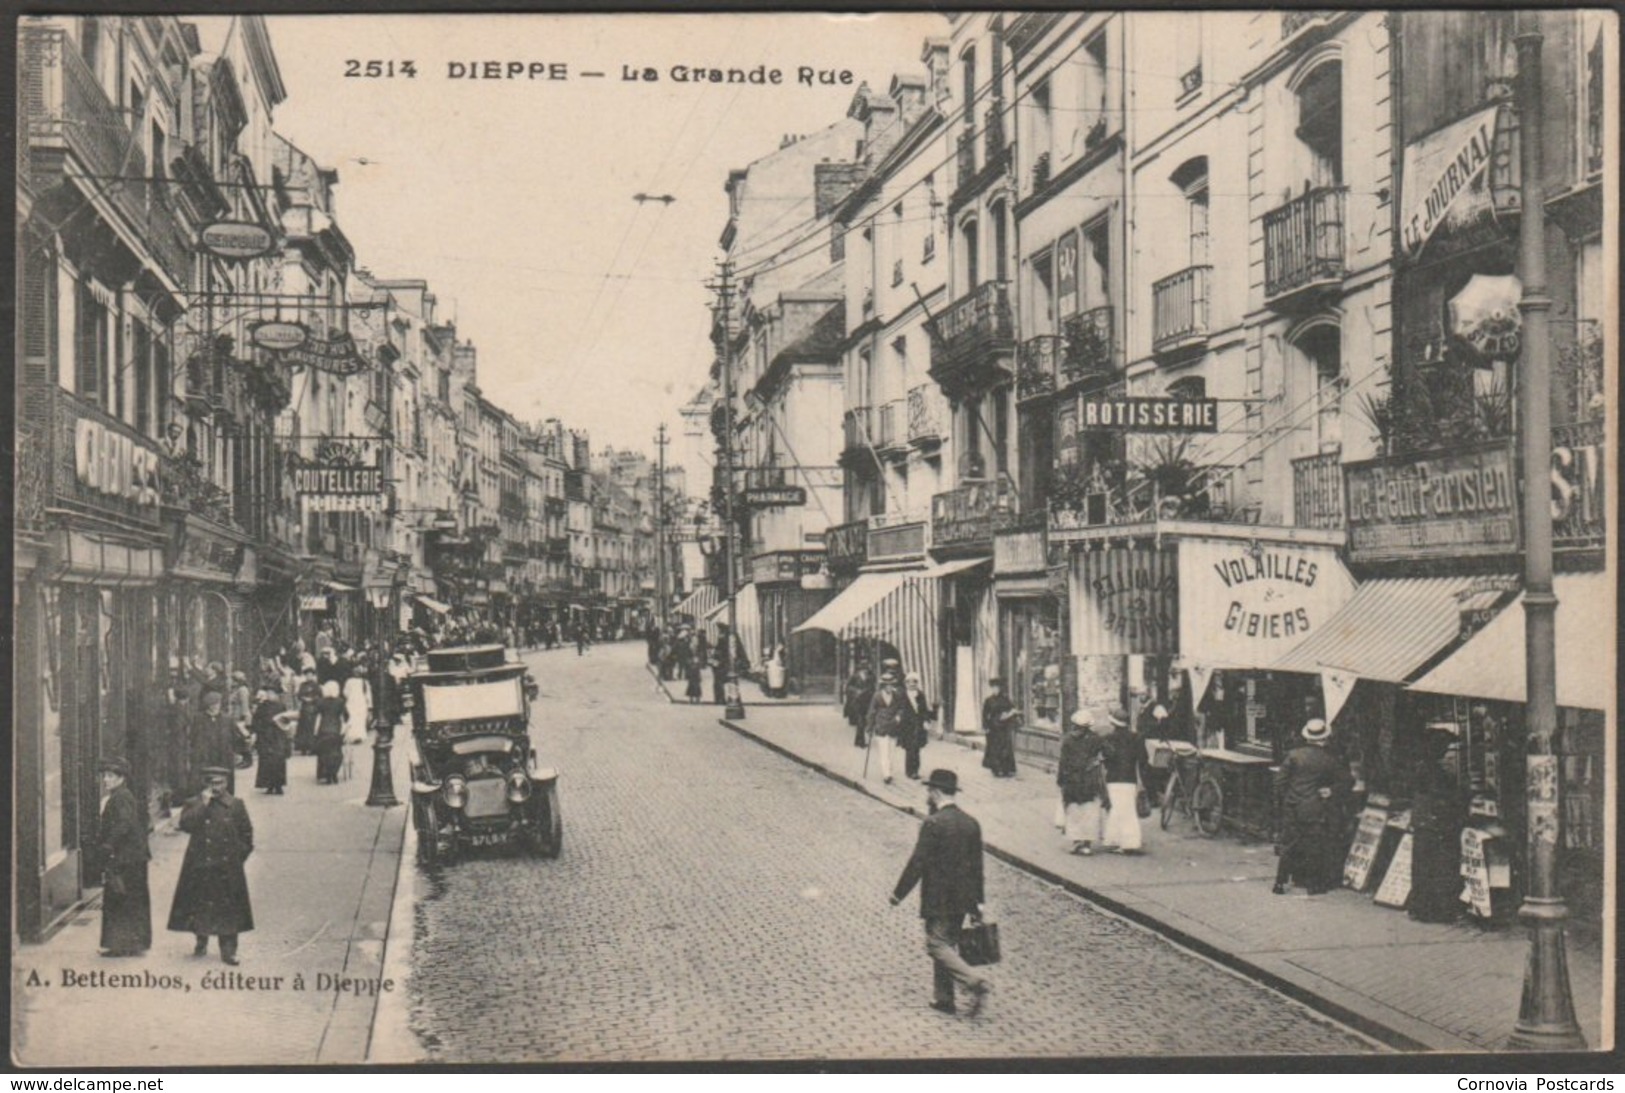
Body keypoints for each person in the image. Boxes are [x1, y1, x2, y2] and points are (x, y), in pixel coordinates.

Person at [889, 769, 991, 1018]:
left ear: (935, 792)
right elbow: (977, 868)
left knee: (936, 944)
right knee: (947, 943)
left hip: (939, 897)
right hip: (964, 899)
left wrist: (898, 894)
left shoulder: (933, 823)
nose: (927, 795)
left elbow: (918, 862)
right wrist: (978, 904)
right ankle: (944, 999)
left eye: (928, 791)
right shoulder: (971, 823)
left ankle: (973, 980)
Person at [167, 766, 254, 965]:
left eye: (220, 783)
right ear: (205, 784)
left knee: (229, 910)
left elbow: (247, 834)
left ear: (226, 783)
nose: (216, 788)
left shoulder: (236, 805)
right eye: (212, 783)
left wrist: (237, 858)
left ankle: (229, 951)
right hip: (200, 864)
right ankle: (201, 939)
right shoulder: (194, 803)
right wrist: (203, 805)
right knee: (200, 905)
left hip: (226, 867)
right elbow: (186, 825)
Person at [1273, 719, 1353, 895]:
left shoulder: (1293, 755)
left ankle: (1279, 883)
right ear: (1325, 738)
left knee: (1289, 844)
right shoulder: (1329, 759)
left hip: (1292, 806)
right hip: (1314, 807)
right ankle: (1313, 885)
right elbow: (1347, 781)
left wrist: (1287, 800)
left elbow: (1279, 783)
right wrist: (1331, 791)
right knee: (1314, 846)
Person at [96, 758, 152, 957]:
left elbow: (124, 824)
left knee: (120, 898)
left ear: (121, 778)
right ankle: (130, 943)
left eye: (110, 776)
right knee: (129, 899)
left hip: (126, 858)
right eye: (104, 776)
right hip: (131, 857)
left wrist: (108, 845)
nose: (106, 780)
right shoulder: (122, 796)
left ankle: (121, 945)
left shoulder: (120, 798)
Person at [1407, 735, 1466, 923]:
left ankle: (1420, 908)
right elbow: (1443, 799)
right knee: (1440, 867)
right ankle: (1439, 910)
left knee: (1422, 866)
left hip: (1423, 823)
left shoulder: (1421, 768)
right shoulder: (1437, 772)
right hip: (1436, 824)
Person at [1057, 709, 1109, 855]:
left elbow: (1063, 762)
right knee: (1089, 811)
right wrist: (1097, 761)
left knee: (1074, 811)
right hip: (1089, 779)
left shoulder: (1068, 740)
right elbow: (1109, 752)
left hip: (1072, 780)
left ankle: (1076, 842)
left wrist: (1061, 779)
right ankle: (1086, 844)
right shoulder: (1095, 739)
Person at [1100, 706, 1144, 854]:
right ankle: (1123, 840)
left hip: (1113, 777)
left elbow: (1106, 759)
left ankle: (1122, 842)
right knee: (1128, 810)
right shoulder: (1136, 737)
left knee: (1115, 809)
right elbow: (1143, 759)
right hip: (1129, 778)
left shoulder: (1108, 739)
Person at [865, 668, 916, 786]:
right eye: (887, 685)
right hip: (881, 727)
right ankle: (886, 774)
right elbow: (871, 712)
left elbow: (901, 708)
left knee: (891, 752)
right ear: (883, 686)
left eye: (891, 685)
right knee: (884, 752)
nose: (889, 687)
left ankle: (889, 772)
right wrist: (869, 727)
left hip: (893, 727)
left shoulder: (897, 695)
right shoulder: (877, 696)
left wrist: (898, 716)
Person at [190, 688, 239, 796]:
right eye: (212, 705)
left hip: (223, 755)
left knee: (225, 780)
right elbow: (193, 737)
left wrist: (235, 752)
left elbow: (234, 737)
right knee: (205, 780)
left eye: (217, 704)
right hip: (205, 756)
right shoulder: (199, 719)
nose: (215, 707)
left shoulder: (227, 719)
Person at [250, 687, 297, 795]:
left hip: (276, 736)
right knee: (268, 760)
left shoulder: (279, 706)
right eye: (269, 693)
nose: (270, 695)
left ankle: (278, 785)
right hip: (267, 736)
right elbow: (256, 721)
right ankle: (270, 785)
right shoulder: (262, 707)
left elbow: (286, 721)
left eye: (272, 693)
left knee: (277, 760)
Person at [980, 678, 1020, 778]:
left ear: (1000, 688)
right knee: (994, 748)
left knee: (1005, 747)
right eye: (993, 688)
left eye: (996, 688)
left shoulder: (1005, 699)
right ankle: (996, 769)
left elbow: (1012, 709)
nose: (995, 690)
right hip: (993, 726)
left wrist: (1009, 714)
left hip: (1004, 727)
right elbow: (985, 714)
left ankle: (1006, 769)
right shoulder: (988, 700)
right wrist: (985, 726)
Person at [901, 672, 935, 781]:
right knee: (909, 748)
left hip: (918, 725)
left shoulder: (921, 695)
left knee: (917, 748)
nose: (912, 684)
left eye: (914, 682)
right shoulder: (903, 696)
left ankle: (915, 770)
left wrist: (926, 720)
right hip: (907, 726)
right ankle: (909, 771)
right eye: (909, 682)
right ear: (906, 684)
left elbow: (924, 710)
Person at [313, 681, 348, 785]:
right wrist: (344, 730)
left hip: (323, 730)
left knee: (323, 753)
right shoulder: (340, 702)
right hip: (335, 730)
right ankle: (334, 774)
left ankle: (325, 774)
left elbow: (318, 717)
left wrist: (315, 731)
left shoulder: (320, 702)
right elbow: (344, 718)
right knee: (336, 752)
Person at [843, 663, 876, 749]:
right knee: (860, 722)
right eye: (863, 669)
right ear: (860, 670)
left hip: (867, 702)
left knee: (863, 722)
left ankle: (858, 741)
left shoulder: (871, 677)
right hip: (857, 703)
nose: (865, 671)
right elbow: (848, 687)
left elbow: (873, 688)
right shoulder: (855, 677)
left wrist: (868, 692)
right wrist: (856, 691)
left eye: (866, 670)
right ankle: (861, 742)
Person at [293, 670, 321, 755]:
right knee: (303, 728)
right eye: (307, 675)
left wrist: (313, 699)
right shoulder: (303, 685)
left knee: (311, 728)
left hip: (313, 708)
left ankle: (312, 748)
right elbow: (299, 695)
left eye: (310, 675)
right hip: (304, 708)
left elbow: (319, 695)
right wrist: (304, 698)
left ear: (313, 676)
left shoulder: (316, 685)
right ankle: (303, 748)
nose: (309, 677)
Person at [343, 665, 372, 743]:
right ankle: (359, 736)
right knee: (360, 720)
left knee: (352, 718)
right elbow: (368, 695)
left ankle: (352, 736)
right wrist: (370, 706)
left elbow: (345, 693)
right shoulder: (364, 682)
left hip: (351, 702)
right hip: (361, 703)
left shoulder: (349, 681)